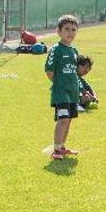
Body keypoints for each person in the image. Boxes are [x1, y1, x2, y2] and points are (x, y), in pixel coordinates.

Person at [45, 15, 80, 160]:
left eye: (73, 30)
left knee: (69, 119)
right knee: (63, 119)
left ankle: (63, 147)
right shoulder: (56, 49)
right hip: (61, 92)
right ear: (59, 32)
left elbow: (75, 72)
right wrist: (59, 84)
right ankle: (56, 150)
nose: (70, 33)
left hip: (73, 92)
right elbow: (49, 70)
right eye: (66, 29)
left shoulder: (74, 51)